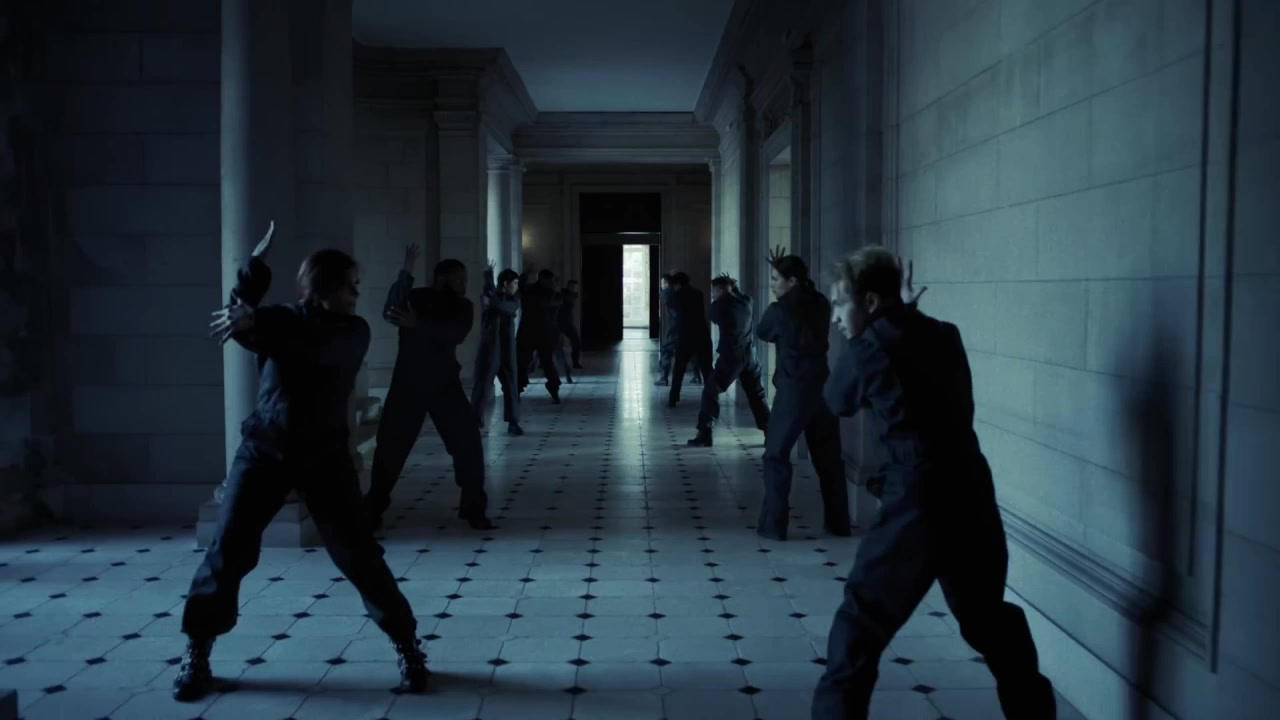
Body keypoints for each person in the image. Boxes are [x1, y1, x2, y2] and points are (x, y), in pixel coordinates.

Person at [176, 237, 428, 702]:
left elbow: (314, 344)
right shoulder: (278, 321)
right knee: (227, 550)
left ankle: (408, 646)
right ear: (324, 286)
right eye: (350, 284)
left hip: (325, 458)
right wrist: (251, 276)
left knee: (358, 556)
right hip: (264, 451)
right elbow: (245, 324)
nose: (356, 291)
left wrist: (256, 318)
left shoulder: (353, 331)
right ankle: (198, 653)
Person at [812, 246, 1056, 720]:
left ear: (870, 301)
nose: (836, 317)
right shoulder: (944, 334)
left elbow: (837, 399)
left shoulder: (868, 347)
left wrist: (870, 334)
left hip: (917, 498)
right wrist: (904, 315)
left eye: (841, 303)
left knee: (857, 629)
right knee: (987, 620)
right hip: (970, 487)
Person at [362, 246, 492, 531]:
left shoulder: (463, 306)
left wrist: (416, 323)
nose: (463, 283)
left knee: (468, 445)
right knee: (391, 447)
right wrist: (406, 270)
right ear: (442, 278)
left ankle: (473, 508)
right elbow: (390, 311)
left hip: (445, 385)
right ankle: (373, 507)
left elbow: (454, 333)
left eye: (464, 278)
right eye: (458, 278)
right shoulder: (417, 297)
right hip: (408, 384)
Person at [755, 248, 850, 541]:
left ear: (792, 281)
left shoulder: (779, 310)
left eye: (776, 279)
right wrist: (783, 268)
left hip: (794, 391)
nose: (772, 284)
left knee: (776, 456)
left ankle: (774, 526)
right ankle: (839, 523)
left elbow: (762, 332)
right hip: (823, 388)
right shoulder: (821, 303)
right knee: (829, 460)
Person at [686, 273, 770, 446]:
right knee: (757, 395)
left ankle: (705, 432)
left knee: (711, 389)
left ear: (722, 290)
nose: (712, 295)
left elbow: (713, 317)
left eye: (714, 291)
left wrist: (723, 297)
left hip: (732, 357)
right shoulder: (747, 301)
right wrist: (733, 288)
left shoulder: (719, 306)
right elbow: (738, 295)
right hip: (750, 355)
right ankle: (770, 432)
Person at [471, 259, 523, 436]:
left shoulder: (512, 300)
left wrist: (492, 295)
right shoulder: (488, 296)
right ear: (506, 284)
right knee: (482, 385)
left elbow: (504, 306)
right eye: (514, 283)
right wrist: (488, 277)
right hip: (490, 349)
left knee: (511, 386)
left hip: (508, 349)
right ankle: (475, 420)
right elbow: (492, 301)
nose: (516, 286)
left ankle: (513, 421)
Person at [666, 271, 713, 407]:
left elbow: (670, 304)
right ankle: (711, 398)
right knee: (707, 369)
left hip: (685, 336)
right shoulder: (698, 294)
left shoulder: (676, 295)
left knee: (679, 369)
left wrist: (669, 290)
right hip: (702, 334)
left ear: (677, 284)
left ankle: (673, 398)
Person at [517, 269, 563, 402]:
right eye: (549, 280)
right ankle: (553, 390)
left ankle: (517, 390)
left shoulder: (533, 291)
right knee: (541, 362)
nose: (551, 283)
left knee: (525, 362)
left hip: (532, 332)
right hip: (539, 332)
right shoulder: (547, 293)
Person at [557, 279, 584, 370]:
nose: (573, 288)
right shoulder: (565, 294)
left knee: (576, 343)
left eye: (574, 287)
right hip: (559, 322)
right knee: (553, 344)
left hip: (567, 322)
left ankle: (575, 362)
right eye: (572, 287)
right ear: (568, 286)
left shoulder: (572, 295)